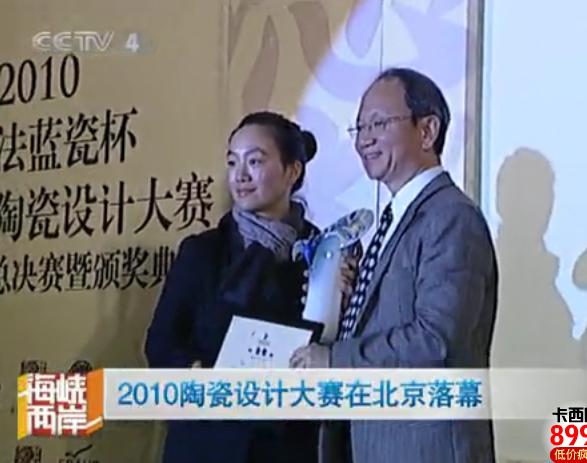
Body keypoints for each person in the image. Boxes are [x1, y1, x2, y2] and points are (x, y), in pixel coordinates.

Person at [290, 67, 498, 463]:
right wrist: (346, 304)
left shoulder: (451, 217)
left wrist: (335, 360)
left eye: (379, 124)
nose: (364, 139)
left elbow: (436, 339)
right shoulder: (396, 218)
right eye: (360, 127)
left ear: (427, 130)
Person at [145, 111, 325, 463]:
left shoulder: (323, 253)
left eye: (254, 161)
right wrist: (198, 376)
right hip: (209, 443)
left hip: (289, 446)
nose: (240, 175)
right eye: (232, 162)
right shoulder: (203, 251)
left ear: (292, 171)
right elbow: (161, 342)